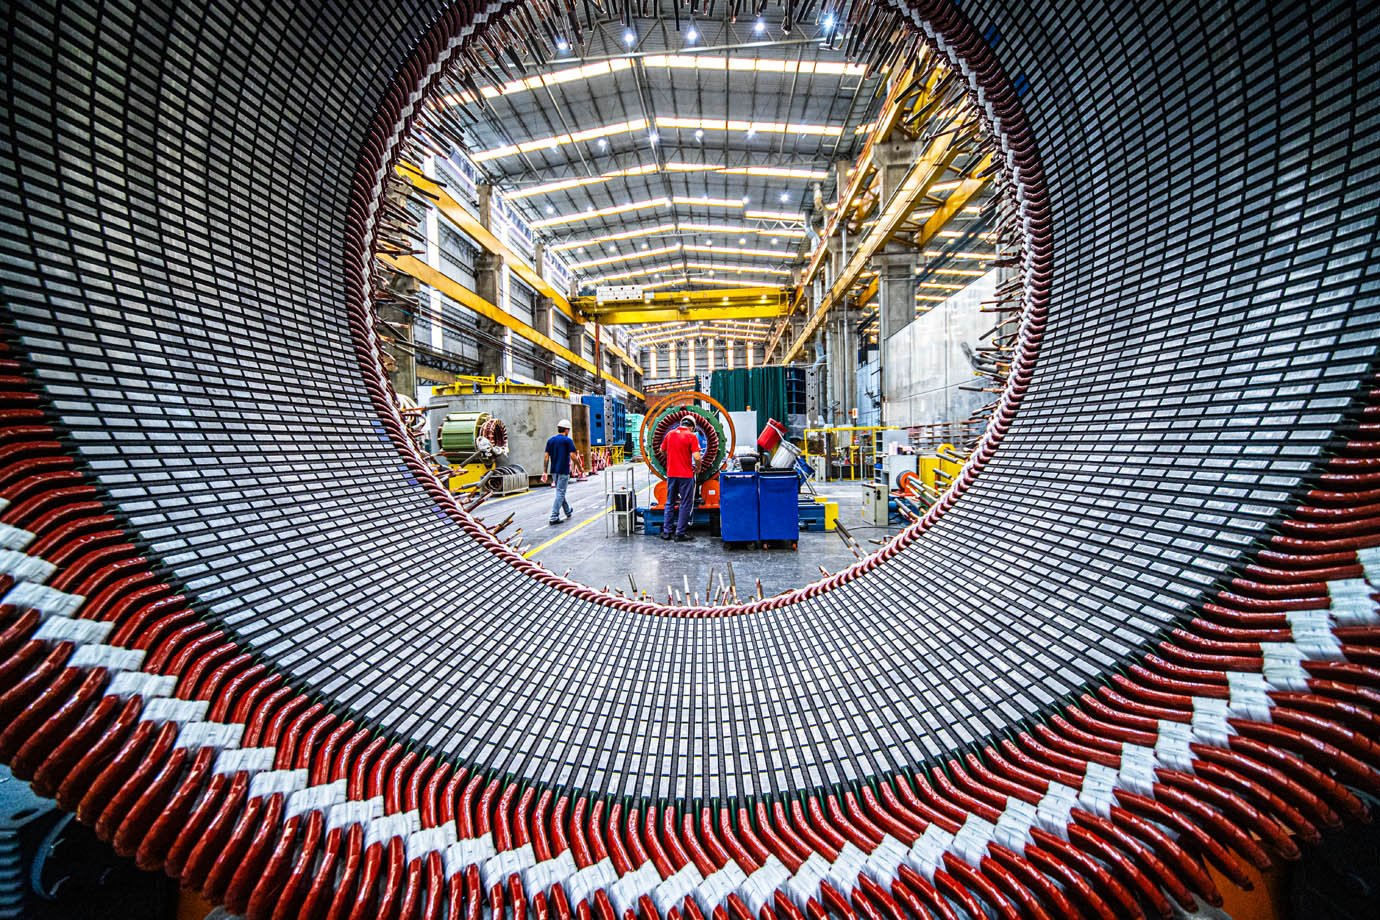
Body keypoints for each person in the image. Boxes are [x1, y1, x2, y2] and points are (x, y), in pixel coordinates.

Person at [660, 417, 702, 542]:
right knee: (685, 503)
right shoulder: (691, 436)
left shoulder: (670, 434)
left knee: (670, 502)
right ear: (692, 427)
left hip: (671, 474)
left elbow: (662, 450)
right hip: (685, 476)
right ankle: (680, 534)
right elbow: (697, 457)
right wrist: (698, 468)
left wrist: (671, 458)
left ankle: (667, 532)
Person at [542, 419, 576, 525]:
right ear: (566, 430)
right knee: (560, 493)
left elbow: (546, 457)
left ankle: (567, 511)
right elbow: (573, 456)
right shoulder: (568, 441)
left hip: (554, 471)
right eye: (568, 430)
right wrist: (580, 467)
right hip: (563, 470)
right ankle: (554, 517)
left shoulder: (550, 441)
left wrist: (544, 471)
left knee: (560, 492)